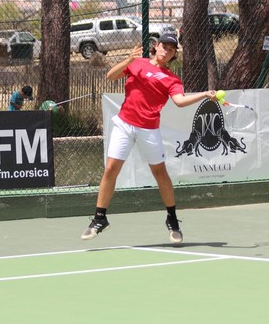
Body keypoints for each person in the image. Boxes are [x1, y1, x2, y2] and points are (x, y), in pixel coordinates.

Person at [81, 33, 216, 244]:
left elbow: (179, 101)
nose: (166, 51)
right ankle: (99, 219)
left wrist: (204, 94)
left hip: (148, 129)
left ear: (173, 55)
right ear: (157, 46)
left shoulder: (172, 79)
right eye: (164, 47)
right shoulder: (137, 63)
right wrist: (129, 59)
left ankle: (172, 219)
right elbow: (110, 76)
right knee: (111, 169)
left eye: (171, 50)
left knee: (160, 173)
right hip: (124, 124)